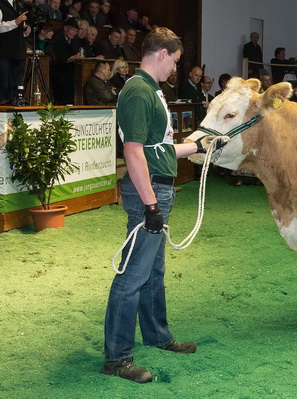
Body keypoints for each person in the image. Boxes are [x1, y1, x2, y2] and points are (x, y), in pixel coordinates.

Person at [103, 26, 227, 384]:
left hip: (157, 186)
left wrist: (199, 146)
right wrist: (151, 205)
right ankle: (117, 357)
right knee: (133, 277)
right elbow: (133, 152)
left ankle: (157, 336)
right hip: (150, 191)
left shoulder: (148, 89)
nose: (175, 68)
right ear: (161, 54)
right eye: (174, 61)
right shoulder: (139, 91)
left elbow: (158, 148)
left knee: (152, 273)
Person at [45, 17, 82, 104]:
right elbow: (54, 57)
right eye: (72, 30)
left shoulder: (74, 40)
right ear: (65, 28)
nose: (74, 33)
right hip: (57, 69)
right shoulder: (56, 38)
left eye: (76, 31)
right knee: (66, 79)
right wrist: (67, 59)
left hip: (70, 69)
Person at [0, 2, 30, 104]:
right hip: (3, 52)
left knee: (16, 87)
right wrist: (15, 22)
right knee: (3, 87)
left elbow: (22, 28)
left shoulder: (18, 4)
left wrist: (26, 30)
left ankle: (15, 112)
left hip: (18, 52)